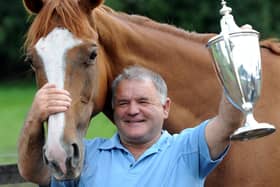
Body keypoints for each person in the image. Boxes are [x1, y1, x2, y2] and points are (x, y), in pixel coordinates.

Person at [18, 65, 243, 186]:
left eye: (143, 101)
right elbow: (34, 172)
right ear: (114, 110)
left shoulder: (188, 149)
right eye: (123, 103)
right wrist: (35, 118)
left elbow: (229, 122)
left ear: (165, 108)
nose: (133, 110)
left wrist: (233, 66)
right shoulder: (87, 155)